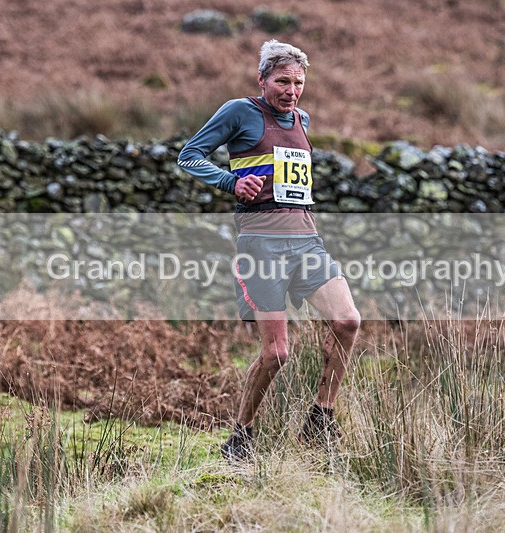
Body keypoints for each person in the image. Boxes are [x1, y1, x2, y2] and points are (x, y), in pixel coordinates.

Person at [177, 39, 361, 463]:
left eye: (298, 83)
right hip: (261, 245)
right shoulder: (240, 111)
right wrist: (231, 182)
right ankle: (241, 435)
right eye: (282, 81)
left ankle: (320, 418)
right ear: (262, 80)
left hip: (306, 241)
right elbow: (189, 156)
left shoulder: (302, 120)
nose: (291, 91)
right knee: (277, 354)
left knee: (348, 320)